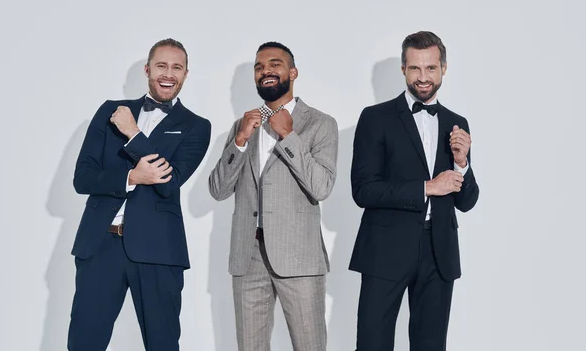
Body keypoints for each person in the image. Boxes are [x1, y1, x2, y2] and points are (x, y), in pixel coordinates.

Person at [68, 38, 211, 350]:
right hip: (100, 245)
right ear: (148, 69)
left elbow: (167, 182)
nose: (168, 73)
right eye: (161, 65)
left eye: (177, 67)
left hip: (159, 250)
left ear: (186, 74)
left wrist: (133, 133)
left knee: (162, 344)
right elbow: (83, 178)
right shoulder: (110, 112)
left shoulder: (197, 127)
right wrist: (131, 177)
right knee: (83, 343)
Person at [349, 31, 480, 350]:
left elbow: (466, 201)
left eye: (431, 68)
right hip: (385, 249)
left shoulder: (456, 121)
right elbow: (363, 190)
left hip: (439, 252)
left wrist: (462, 163)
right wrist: (426, 187)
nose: (423, 77)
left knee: (431, 345)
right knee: (373, 344)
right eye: (415, 69)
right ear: (404, 69)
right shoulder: (374, 118)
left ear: (444, 68)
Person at [208, 41, 338, 351]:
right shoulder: (243, 126)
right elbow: (218, 190)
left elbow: (321, 187)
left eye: (275, 64)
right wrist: (239, 141)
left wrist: (289, 136)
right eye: (259, 66)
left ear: (292, 72)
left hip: (300, 259)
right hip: (247, 255)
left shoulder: (321, 124)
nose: (266, 70)